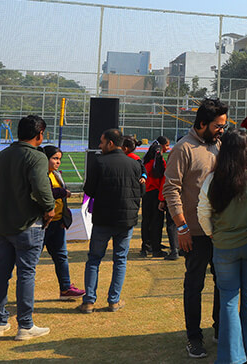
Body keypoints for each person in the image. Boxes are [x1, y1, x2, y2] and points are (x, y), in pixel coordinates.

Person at [197, 128, 247, 364]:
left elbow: (202, 211)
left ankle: (232, 356)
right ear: (246, 149)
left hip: (223, 246)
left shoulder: (213, 178)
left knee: (229, 299)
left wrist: (213, 234)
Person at [163, 98, 228, 359]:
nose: (222, 129)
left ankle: (220, 328)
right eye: (218, 125)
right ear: (202, 123)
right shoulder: (184, 148)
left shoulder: (219, 146)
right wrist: (181, 228)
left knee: (222, 283)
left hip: (220, 232)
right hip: (195, 234)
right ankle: (194, 337)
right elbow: (171, 189)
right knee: (194, 285)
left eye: (224, 125)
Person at [0, 115, 54, 341]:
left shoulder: (1, 157)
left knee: (2, 272)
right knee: (26, 273)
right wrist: (49, 208)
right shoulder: (36, 157)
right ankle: (25, 325)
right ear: (39, 135)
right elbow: (40, 186)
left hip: (2, 224)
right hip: (28, 223)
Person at [79, 128, 144, 314]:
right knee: (120, 260)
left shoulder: (99, 162)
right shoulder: (134, 164)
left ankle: (89, 301)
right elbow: (140, 192)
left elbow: (89, 191)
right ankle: (113, 301)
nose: (99, 146)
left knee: (94, 259)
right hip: (126, 220)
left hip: (103, 220)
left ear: (110, 143)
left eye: (101, 142)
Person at [42, 145, 85, 300]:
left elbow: (61, 199)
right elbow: (44, 192)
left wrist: (64, 219)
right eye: (54, 158)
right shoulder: (40, 174)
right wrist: (62, 193)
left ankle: (66, 289)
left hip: (57, 222)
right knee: (29, 261)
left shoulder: (56, 174)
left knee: (61, 256)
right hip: (43, 223)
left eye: (59, 159)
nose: (58, 162)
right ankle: (15, 292)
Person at [143, 137, 179, 260]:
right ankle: (157, 247)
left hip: (147, 193)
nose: (168, 148)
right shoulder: (161, 163)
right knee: (158, 223)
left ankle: (147, 245)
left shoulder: (147, 162)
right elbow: (163, 181)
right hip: (157, 194)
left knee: (147, 221)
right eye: (167, 145)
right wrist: (161, 199)